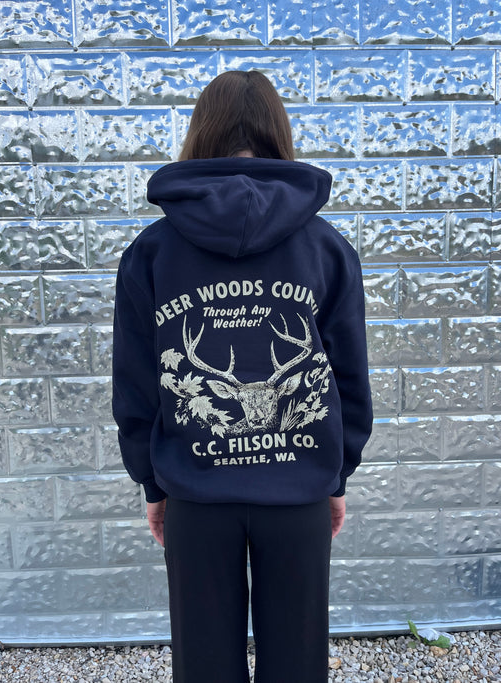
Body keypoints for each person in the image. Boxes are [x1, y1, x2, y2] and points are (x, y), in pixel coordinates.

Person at [112, 70, 372, 683]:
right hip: (298, 493)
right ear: (278, 133)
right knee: (297, 665)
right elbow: (349, 376)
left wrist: (153, 484)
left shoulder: (151, 252)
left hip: (196, 494)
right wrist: (336, 474)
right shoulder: (327, 248)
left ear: (200, 134)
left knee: (203, 665)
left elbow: (136, 384)